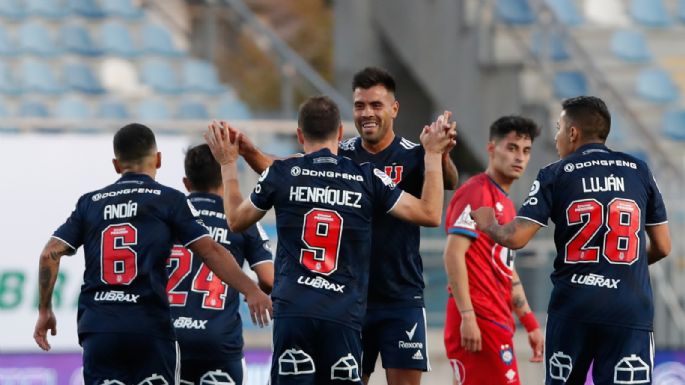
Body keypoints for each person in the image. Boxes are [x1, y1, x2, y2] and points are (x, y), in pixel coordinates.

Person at [225, 67, 459, 385]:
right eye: (360, 105)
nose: (367, 113)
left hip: (398, 296)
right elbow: (292, 171)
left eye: (376, 105)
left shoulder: (414, 154)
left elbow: (449, 181)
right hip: (349, 299)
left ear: (394, 108)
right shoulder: (344, 156)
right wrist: (249, 151)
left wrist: (437, 153)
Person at [33, 123, 272, 385]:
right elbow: (210, 251)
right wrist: (251, 290)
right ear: (158, 159)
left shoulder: (90, 203)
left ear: (116, 164)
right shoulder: (168, 200)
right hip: (150, 327)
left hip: (100, 327)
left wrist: (45, 310)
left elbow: (50, 255)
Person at [470, 96, 671, 385]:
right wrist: (621, 264)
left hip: (574, 306)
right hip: (628, 307)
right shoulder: (639, 170)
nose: (556, 137)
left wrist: (490, 225)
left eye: (559, 128)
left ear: (573, 133)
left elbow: (515, 237)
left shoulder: (556, 173)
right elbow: (664, 246)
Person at [442, 116, 543, 385]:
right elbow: (453, 253)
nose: (519, 157)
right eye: (511, 148)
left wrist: (530, 323)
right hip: (480, 321)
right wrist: (468, 316)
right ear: (491, 149)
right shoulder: (478, 193)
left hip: (496, 321)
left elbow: (505, 269)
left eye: (526, 150)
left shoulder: (506, 205)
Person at [167, 143, 275, 385]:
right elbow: (269, 280)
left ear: (186, 183)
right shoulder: (241, 218)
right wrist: (253, 290)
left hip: (170, 338)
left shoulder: (169, 215)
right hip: (219, 339)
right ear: (224, 181)